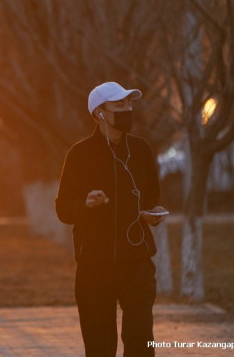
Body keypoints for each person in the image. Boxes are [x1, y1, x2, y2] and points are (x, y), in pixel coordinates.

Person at [55, 82, 168, 357]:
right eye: (119, 106)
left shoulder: (141, 150)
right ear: (99, 113)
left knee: (141, 339)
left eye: (129, 105)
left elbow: (151, 196)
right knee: (99, 345)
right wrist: (86, 203)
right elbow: (63, 209)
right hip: (95, 266)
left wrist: (152, 214)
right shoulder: (80, 154)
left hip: (137, 263)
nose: (127, 111)